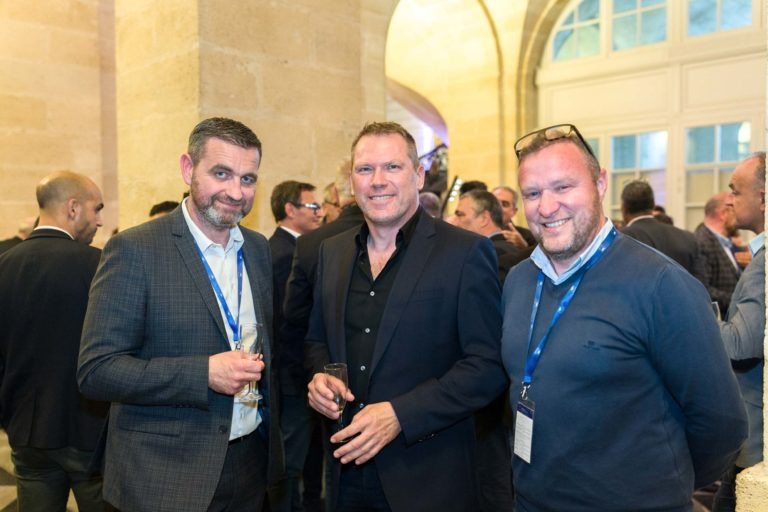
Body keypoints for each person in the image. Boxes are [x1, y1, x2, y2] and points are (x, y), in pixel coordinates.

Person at [502, 123, 747, 511]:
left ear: (599, 184)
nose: (546, 207)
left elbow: (721, 422)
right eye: (533, 193)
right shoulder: (518, 282)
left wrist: (658, 488)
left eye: (563, 187)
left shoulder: (661, 285)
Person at [78, 117, 283, 512]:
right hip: (165, 475)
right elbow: (97, 370)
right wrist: (202, 373)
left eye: (248, 178)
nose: (235, 191)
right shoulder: (135, 250)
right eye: (221, 173)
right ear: (188, 169)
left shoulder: (257, 249)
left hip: (250, 464)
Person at [305, 121, 507, 512]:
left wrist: (401, 414)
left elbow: (488, 365)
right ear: (352, 180)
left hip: (428, 477)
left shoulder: (465, 253)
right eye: (365, 170)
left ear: (418, 174)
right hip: (346, 473)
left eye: (392, 167)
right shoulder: (332, 252)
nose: (378, 181)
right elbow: (316, 340)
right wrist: (318, 377)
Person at [0, 171, 108, 511]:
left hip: (26, 431)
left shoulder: (4, 264)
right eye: (96, 209)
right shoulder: (99, 264)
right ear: (73, 208)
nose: (100, 221)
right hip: (90, 429)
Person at [712, 152, 766, 512]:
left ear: (763, 197)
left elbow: (740, 343)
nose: (728, 198)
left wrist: (698, 314)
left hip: (754, 440)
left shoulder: (764, 262)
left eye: (735, 189)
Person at [267, 180, 322, 512]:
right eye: (311, 207)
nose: (318, 213)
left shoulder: (281, 248)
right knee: (291, 461)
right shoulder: (287, 253)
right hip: (292, 372)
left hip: (292, 372)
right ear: (290, 210)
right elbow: (289, 320)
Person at [621, 179, 702, 277]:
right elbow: (700, 285)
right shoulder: (688, 238)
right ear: (653, 205)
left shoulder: (621, 240)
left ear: (624, 208)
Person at [694, 192, 741, 317]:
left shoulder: (725, 242)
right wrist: (742, 300)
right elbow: (704, 290)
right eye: (734, 209)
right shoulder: (702, 242)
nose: (738, 215)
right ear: (723, 213)